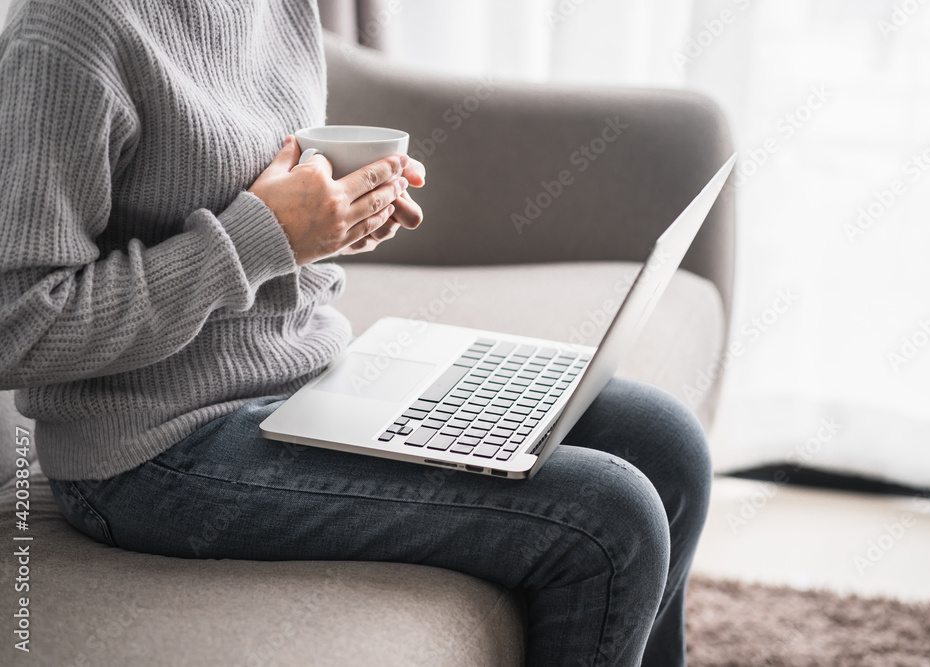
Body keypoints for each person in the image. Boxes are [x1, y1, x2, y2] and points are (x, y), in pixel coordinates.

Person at [0, 1, 712, 665]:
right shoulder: (71, 33)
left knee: (667, 442)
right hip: (151, 452)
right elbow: (20, 326)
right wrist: (264, 237)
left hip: (306, 376)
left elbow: (249, 204)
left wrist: (334, 218)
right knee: (607, 520)